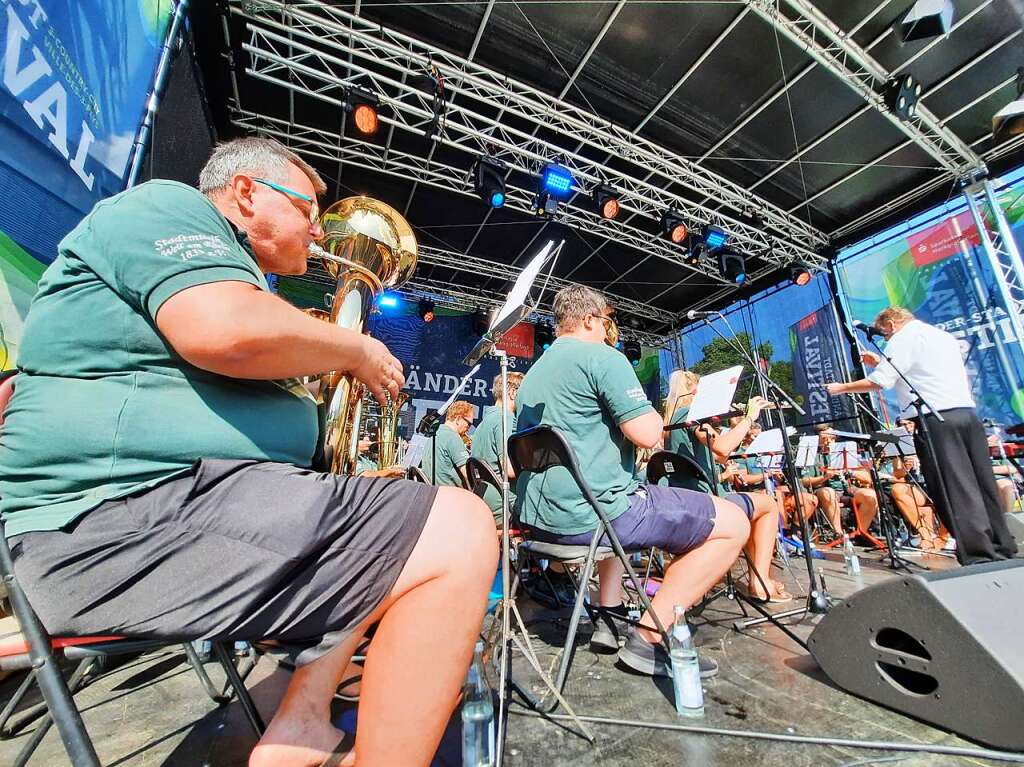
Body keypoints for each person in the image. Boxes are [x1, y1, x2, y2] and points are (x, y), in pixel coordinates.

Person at [0, 137, 497, 767]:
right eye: (308, 211)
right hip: (113, 523)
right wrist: (356, 350)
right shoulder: (170, 208)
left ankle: (305, 721)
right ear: (245, 193)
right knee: (459, 528)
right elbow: (222, 330)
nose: (319, 231)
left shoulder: (240, 278)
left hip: (160, 511)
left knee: (387, 532)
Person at [514, 286, 751, 678]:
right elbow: (647, 433)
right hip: (596, 514)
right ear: (590, 320)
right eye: (606, 320)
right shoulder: (603, 357)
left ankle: (609, 613)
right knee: (733, 523)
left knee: (632, 508)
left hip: (543, 521)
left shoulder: (533, 374)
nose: (609, 328)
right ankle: (649, 638)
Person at [826, 306, 1017, 565]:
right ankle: (1002, 544)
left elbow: (880, 382)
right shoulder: (940, 336)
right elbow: (922, 371)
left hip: (937, 419)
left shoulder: (902, 338)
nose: (886, 340)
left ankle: (978, 553)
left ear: (891, 324)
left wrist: (841, 388)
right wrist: (882, 361)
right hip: (965, 414)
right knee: (982, 482)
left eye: (885, 335)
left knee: (954, 487)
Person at [662, 370, 789, 602]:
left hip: (686, 498)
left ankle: (754, 578)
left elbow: (718, 458)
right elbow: (722, 449)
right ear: (696, 391)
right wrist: (749, 418)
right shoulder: (690, 414)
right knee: (768, 505)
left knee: (754, 509)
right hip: (706, 499)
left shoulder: (672, 419)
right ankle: (760, 583)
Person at [471, 372, 524, 524]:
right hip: (505, 506)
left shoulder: (483, 423)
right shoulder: (505, 418)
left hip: (485, 502)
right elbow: (510, 470)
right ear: (513, 392)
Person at [801, 426, 846, 535]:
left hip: (844, 488)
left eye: (832, 438)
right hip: (821, 490)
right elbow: (804, 481)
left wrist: (850, 472)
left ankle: (863, 533)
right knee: (828, 492)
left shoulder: (843, 451)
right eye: (825, 438)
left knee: (869, 494)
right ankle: (839, 533)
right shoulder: (810, 454)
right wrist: (825, 477)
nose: (829, 442)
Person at [421, 400, 474, 488]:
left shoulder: (433, 435)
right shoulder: (453, 438)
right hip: (450, 495)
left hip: (432, 493)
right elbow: (469, 475)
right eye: (469, 424)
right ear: (458, 419)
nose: (468, 428)